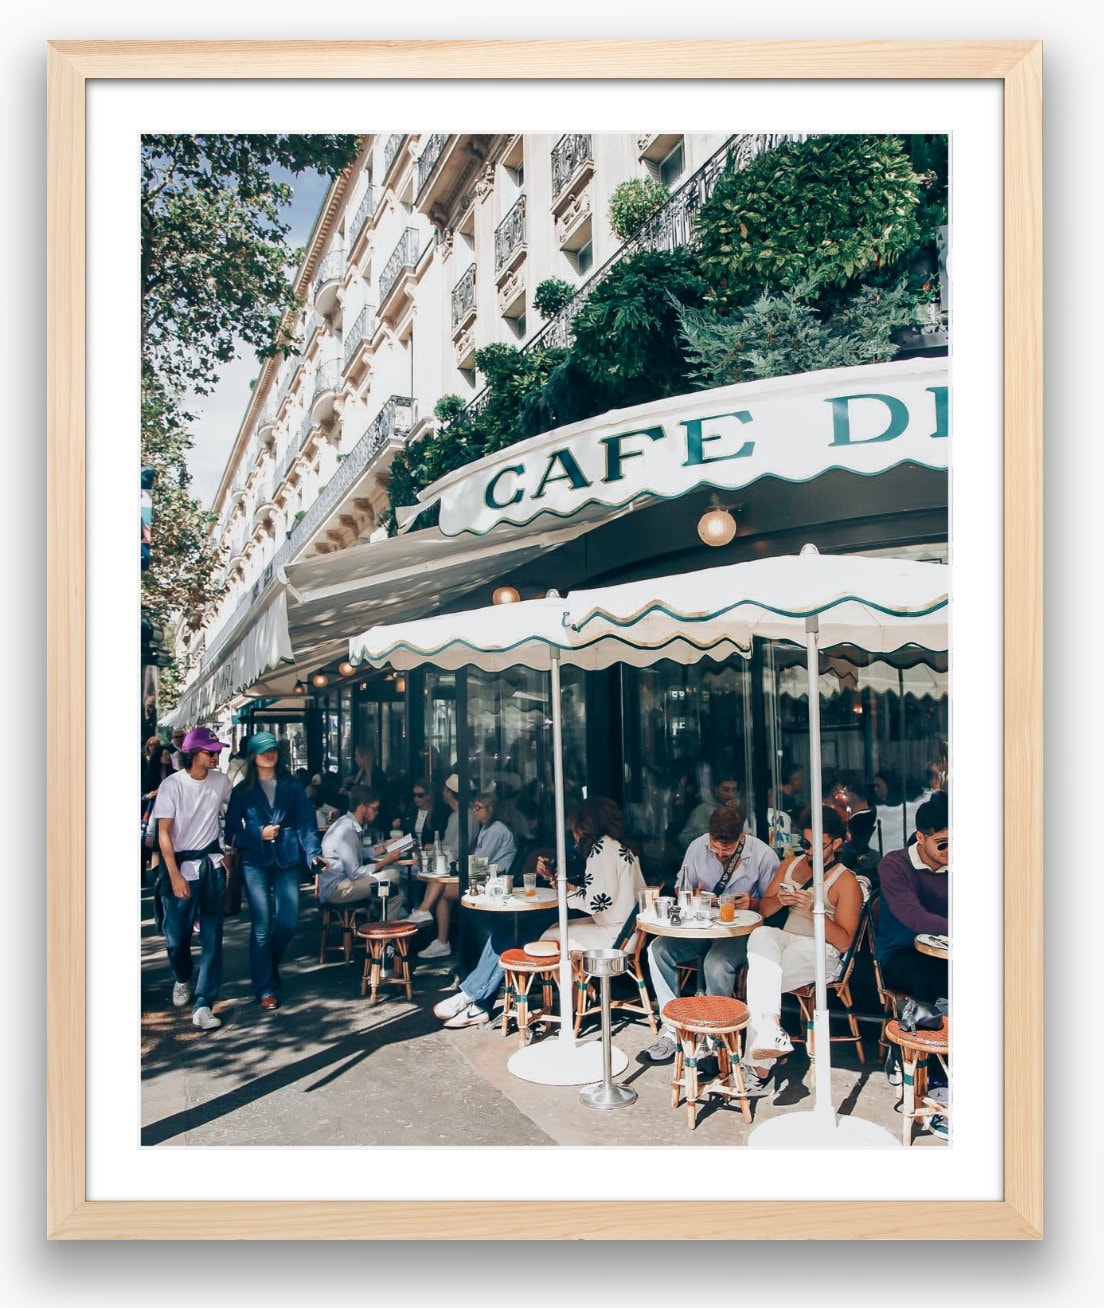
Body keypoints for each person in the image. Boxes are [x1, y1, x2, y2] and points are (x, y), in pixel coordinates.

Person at [433, 797, 643, 1029]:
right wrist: (565, 887)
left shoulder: (601, 850)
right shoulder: (618, 847)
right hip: (624, 931)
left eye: (574, 827)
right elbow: (604, 894)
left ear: (584, 825)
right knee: (527, 928)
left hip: (612, 937)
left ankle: (475, 999)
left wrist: (566, 893)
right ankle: (477, 1001)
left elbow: (598, 902)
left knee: (526, 935)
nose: (572, 833)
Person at [740, 806, 864, 1095]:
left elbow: (845, 942)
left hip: (823, 950)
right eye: (806, 844)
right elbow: (765, 910)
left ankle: (760, 1070)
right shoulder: (791, 864)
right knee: (761, 936)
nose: (810, 852)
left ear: (836, 843)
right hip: (786, 941)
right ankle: (770, 1032)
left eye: (818, 846)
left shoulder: (846, 882)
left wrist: (815, 910)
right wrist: (781, 901)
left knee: (760, 979)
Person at [642, 805, 779, 1064]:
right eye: (715, 849)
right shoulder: (696, 848)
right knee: (657, 950)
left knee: (716, 963)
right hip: (701, 927)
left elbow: (773, 905)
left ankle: (716, 1037)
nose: (719, 855)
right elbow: (682, 887)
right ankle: (671, 1029)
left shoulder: (763, 855)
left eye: (725, 851)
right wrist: (691, 896)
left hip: (742, 933)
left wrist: (753, 903)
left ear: (741, 837)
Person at [224, 731, 322, 1011]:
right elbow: (232, 832)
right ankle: (264, 987)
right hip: (254, 862)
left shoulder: (292, 787)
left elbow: (306, 824)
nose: (271, 754)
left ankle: (266, 965)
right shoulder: (241, 792)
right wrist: (257, 834)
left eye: (274, 750)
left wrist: (313, 854)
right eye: (264, 750)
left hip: (288, 858)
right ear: (253, 755)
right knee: (261, 927)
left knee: (288, 922)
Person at [149, 725, 233, 1031]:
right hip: (181, 867)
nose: (216, 756)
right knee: (175, 938)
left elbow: (235, 812)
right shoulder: (173, 786)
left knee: (212, 938)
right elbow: (164, 832)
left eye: (217, 752)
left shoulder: (221, 781)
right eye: (211, 752)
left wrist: (228, 852)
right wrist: (173, 875)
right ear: (194, 754)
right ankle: (182, 977)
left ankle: (203, 1003)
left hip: (211, 866)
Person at [874, 791, 949, 1004]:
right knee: (928, 976)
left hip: (946, 952)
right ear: (921, 838)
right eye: (941, 843)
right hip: (899, 952)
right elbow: (913, 916)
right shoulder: (895, 865)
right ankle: (926, 1033)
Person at [319, 785, 407, 918]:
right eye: (375, 808)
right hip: (337, 889)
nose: (377, 812)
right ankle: (380, 932)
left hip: (341, 883)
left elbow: (359, 852)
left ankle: (382, 932)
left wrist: (385, 847)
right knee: (393, 874)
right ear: (362, 807)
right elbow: (355, 873)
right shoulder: (347, 830)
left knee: (397, 895)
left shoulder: (347, 823)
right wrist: (385, 862)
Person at [414, 774, 476, 959]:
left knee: (438, 890)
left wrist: (432, 847)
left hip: (465, 872)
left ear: (449, 793)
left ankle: (425, 914)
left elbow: (457, 850)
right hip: (453, 868)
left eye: (445, 790)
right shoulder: (455, 816)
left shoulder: (467, 816)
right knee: (438, 890)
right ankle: (441, 940)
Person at [676, 773, 742, 851]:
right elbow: (683, 839)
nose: (730, 794)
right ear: (716, 789)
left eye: (733, 790)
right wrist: (709, 833)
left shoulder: (740, 809)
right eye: (725, 789)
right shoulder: (703, 809)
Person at [399, 777, 450, 848]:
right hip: (413, 851)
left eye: (420, 795)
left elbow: (440, 836)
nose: (416, 798)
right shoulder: (411, 813)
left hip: (430, 851)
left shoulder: (437, 814)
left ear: (428, 796)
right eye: (414, 795)